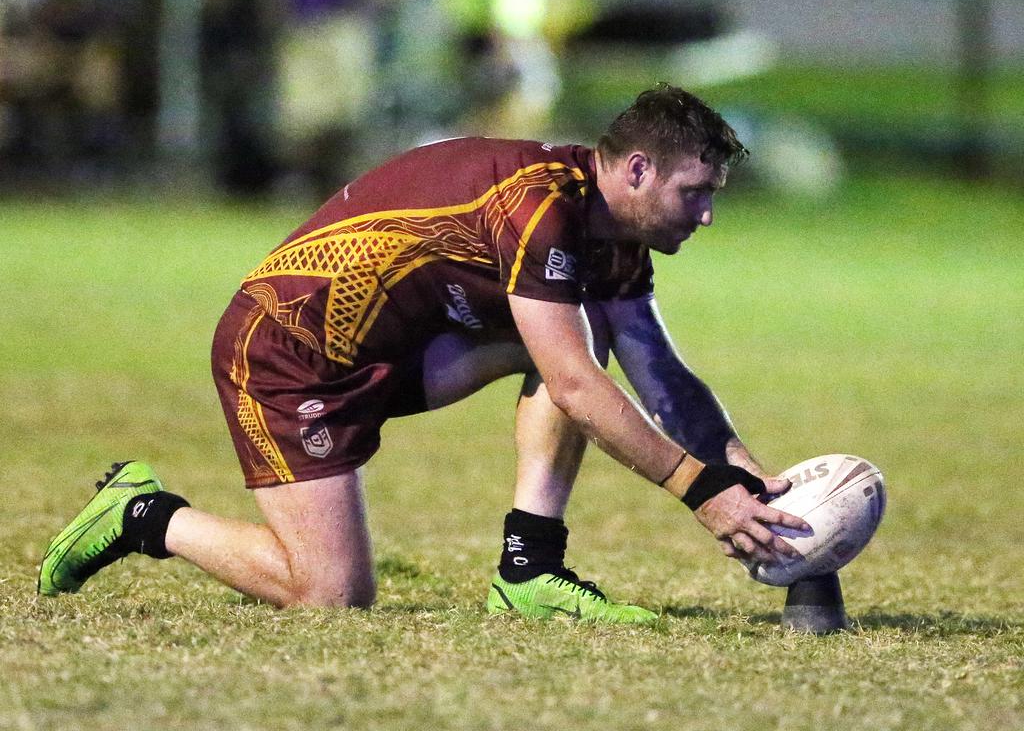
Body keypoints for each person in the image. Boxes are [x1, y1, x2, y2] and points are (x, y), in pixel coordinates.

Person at [39, 84, 810, 622]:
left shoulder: (614, 237)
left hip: (399, 347)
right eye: (695, 192)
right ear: (637, 170)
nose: (706, 216)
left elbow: (663, 376)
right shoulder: (540, 206)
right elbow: (575, 387)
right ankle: (142, 514)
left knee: (590, 334)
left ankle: (530, 569)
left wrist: (738, 466)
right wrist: (699, 492)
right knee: (331, 595)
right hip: (287, 349)